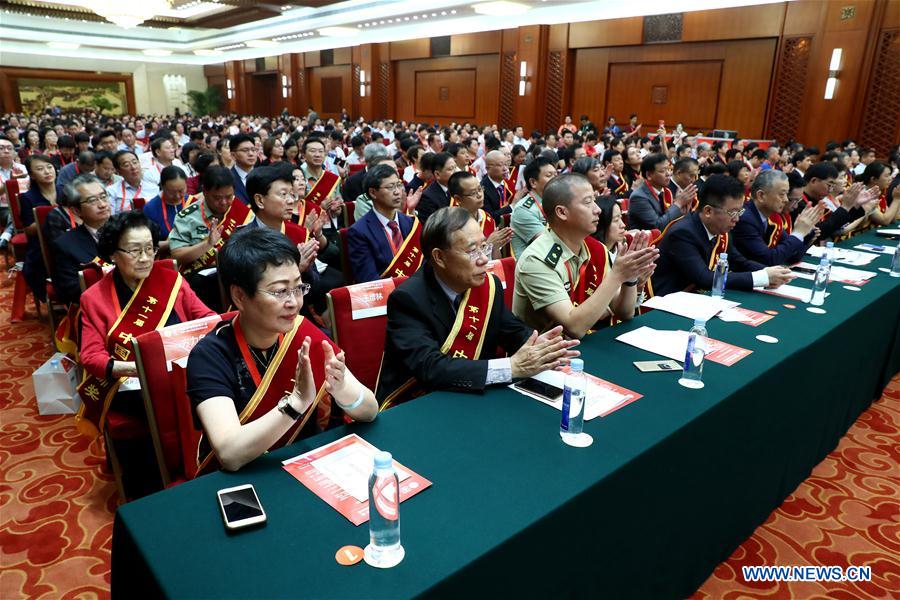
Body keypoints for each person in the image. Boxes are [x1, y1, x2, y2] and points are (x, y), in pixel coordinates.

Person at [187, 228, 378, 472]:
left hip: (307, 466)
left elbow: (370, 410)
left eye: (298, 287)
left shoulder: (302, 332)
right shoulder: (209, 355)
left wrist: (342, 392)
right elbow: (230, 454)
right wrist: (295, 404)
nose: (294, 302)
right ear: (240, 296)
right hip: (246, 477)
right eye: (279, 291)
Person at [377, 206, 579, 407]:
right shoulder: (407, 299)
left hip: (472, 397)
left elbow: (511, 330)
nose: (484, 259)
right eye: (472, 251)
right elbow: (431, 367)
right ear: (439, 257)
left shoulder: (489, 285)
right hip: (417, 402)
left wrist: (537, 346)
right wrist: (510, 367)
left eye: (484, 246)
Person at [77, 211, 213, 497]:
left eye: (150, 248)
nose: (145, 258)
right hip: (132, 382)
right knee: (167, 400)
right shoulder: (94, 298)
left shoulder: (171, 280)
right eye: (134, 250)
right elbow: (90, 356)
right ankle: (160, 483)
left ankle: (204, 468)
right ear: (113, 254)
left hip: (182, 371)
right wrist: (136, 367)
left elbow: (207, 318)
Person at [513, 173, 657, 337]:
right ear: (562, 212)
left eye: (595, 201)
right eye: (588, 202)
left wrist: (629, 279)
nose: (598, 210)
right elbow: (574, 328)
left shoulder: (595, 248)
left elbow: (624, 312)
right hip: (548, 349)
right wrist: (617, 275)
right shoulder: (537, 259)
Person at [650, 175, 794, 297]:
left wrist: (771, 271)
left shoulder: (720, 230)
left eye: (740, 212)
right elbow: (704, 278)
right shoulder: (682, 233)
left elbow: (739, 262)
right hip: (669, 303)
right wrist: (762, 277)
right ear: (708, 211)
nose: (737, 219)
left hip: (700, 297)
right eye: (733, 212)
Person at [169, 165, 251, 310]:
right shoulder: (188, 217)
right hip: (203, 279)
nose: (224, 202)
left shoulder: (240, 210)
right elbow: (177, 256)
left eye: (229, 197)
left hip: (238, 271)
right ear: (205, 192)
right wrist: (207, 244)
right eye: (217, 198)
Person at [347, 163, 423, 283]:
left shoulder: (410, 222)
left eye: (398, 185)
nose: (397, 192)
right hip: (388, 291)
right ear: (373, 193)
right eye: (390, 187)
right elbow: (369, 279)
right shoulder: (359, 232)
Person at [732, 169, 822, 267]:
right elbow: (769, 259)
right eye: (782, 194)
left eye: (786, 194)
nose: (786, 200)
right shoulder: (745, 219)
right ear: (761, 196)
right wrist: (798, 233)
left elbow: (793, 256)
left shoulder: (770, 216)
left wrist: (805, 232)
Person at [52, 174, 111, 304]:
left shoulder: (128, 229)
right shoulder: (65, 245)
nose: (102, 205)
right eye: (92, 200)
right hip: (100, 304)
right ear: (76, 210)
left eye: (103, 197)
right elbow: (69, 289)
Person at [19, 154, 62, 300]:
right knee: (35, 267)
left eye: (49, 167)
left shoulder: (65, 191)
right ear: (32, 175)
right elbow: (28, 230)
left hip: (68, 237)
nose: (47, 171)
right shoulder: (27, 197)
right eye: (40, 169)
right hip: (42, 242)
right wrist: (49, 216)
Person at [797, 162, 871, 241]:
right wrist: (845, 207)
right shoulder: (798, 202)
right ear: (814, 181)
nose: (830, 190)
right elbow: (820, 232)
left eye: (833, 186)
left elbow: (837, 225)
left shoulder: (816, 199)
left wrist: (856, 205)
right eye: (829, 185)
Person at [448, 171, 512, 259]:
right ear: (458, 199)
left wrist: (495, 247)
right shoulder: (453, 225)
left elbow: (496, 260)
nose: (480, 195)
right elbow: (460, 262)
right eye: (473, 193)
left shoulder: (487, 217)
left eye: (480, 189)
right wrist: (488, 245)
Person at [628, 153, 697, 231]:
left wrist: (682, 212)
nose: (668, 174)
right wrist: (678, 204)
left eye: (669, 169)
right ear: (649, 175)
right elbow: (657, 227)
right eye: (663, 171)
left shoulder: (666, 191)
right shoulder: (639, 197)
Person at [510, 156, 557, 257]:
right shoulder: (523, 210)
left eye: (556, 174)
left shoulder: (554, 201)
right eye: (549, 175)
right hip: (533, 262)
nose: (555, 179)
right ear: (533, 182)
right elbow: (547, 243)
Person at [142, 166, 195, 247]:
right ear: (162, 187)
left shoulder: (192, 202)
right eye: (172, 192)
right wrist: (174, 243)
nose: (177, 196)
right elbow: (148, 245)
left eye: (181, 191)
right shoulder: (150, 209)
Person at [416, 151, 458, 224]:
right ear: (437, 174)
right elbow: (430, 226)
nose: (456, 172)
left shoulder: (459, 187)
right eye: (451, 169)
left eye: (455, 167)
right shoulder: (428, 197)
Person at [859, 161, 900, 226]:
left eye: (890, 175)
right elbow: (884, 221)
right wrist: (896, 199)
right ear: (873, 179)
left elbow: (892, 218)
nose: (890, 178)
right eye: (887, 176)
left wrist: (898, 198)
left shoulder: (880, 192)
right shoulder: (863, 195)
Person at [481, 150, 515, 222]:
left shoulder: (508, 183)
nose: (505, 169)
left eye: (506, 164)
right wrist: (511, 206)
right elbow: (489, 217)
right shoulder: (482, 190)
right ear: (487, 168)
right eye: (500, 165)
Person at [229, 133, 257, 204]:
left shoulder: (264, 175)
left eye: (253, 150)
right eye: (245, 150)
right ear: (233, 155)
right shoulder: (227, 179)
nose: (251, 154)